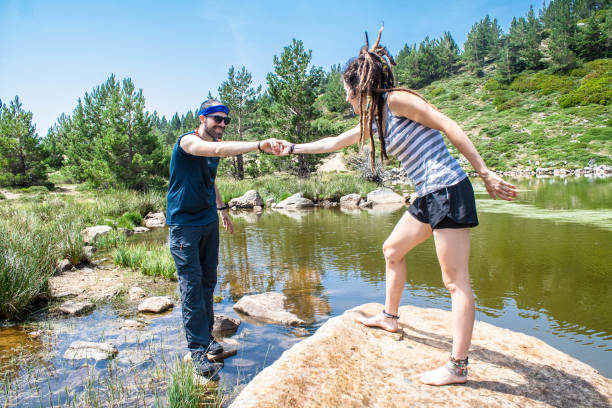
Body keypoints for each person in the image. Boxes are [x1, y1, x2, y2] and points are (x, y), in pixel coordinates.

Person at [276, 30, 517, 386]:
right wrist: (293, 147)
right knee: (392, 249)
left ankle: (458, 367)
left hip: (448, 188)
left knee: (455, 281)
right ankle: (390, 317)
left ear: (361, 87)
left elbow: (449, 124)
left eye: (347, 92)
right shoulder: (375, 119)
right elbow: (334, 142)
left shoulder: (397, 100)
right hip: (427, 195)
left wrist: (484, 172)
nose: (346, 99)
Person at [167, 99, 280, 379]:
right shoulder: (188, 143)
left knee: (208, 283)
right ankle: (196, 352)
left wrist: (222, 209)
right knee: (191, 287)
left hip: (207, 222)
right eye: (217, 119)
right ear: (202, 118)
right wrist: (258, 145)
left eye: (226, 120)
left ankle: (207, 340)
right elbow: (215, 149)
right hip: (183, 225)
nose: (222, 124)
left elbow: (211, 178)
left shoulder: (212, 148)